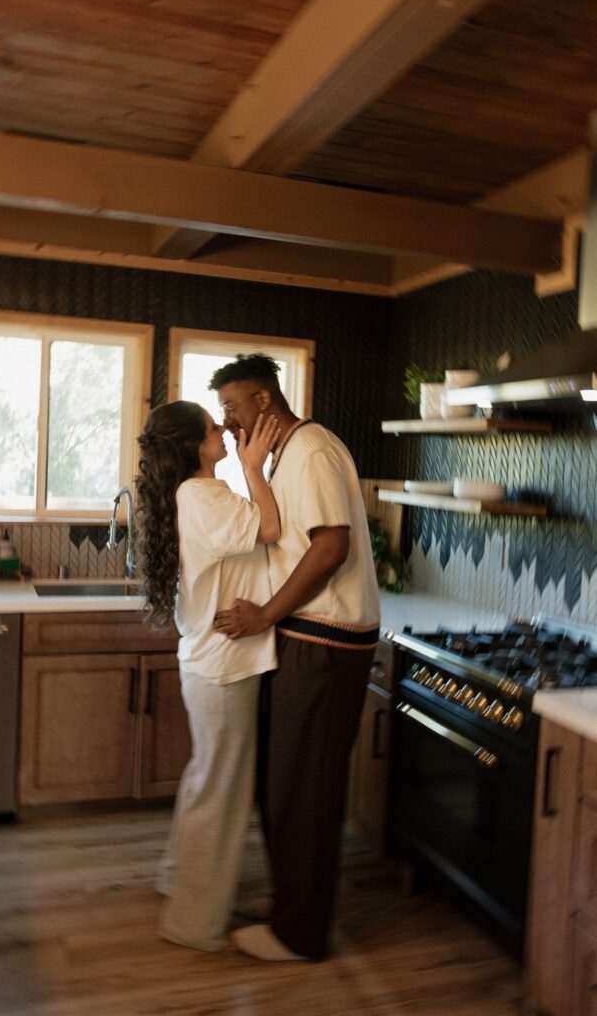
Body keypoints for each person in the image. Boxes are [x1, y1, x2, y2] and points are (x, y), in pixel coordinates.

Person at [212, 354, 381, 963]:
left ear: (263, 401)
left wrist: (264, 614)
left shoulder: (311, 449)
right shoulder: (287, 457)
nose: (226, 421)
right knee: (286, 786)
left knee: (304, 791)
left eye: (232, 408)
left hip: (325, 641)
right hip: (306, 638)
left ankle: (300, 934)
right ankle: (293, 908)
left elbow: (329, 547)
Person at [135, 400, 281, 953]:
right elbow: (269, 526)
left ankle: (180, 880)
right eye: (215, 427)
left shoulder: (190, 496)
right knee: (222, 792)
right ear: (198, 446)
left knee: (205, 781)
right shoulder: (205, 495)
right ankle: (193, 921)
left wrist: (248, 470)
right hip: (224, 665)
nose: (224, 430)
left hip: (207, 661)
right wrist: (254, 467)